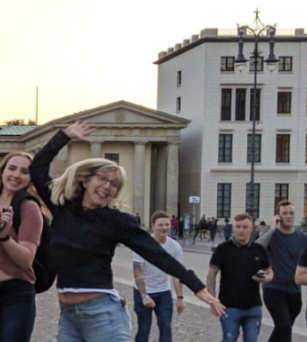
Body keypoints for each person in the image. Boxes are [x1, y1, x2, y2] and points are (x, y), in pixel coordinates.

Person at [29, 121, 224, 342]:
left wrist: (195, 286)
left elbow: (155, 252)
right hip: (68, 317)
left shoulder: (116, 221)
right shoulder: (63, 207)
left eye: (113, 185)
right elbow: (36, 168)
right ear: (86, 180)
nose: (107, 187)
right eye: (102, 179)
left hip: (102, 316)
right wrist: (63, 136)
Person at [0, 152, 43, 342]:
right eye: (12, 168)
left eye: (24, 171)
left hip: (15, 294)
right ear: (2, 171)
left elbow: (26, 259)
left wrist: (5, 237)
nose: (16, 175)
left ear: (31, 178)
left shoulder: (28, 207)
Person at [207, 213, 272, 342]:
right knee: (229, 339)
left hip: (253, 307)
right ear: (233, 228)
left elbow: (269, 271)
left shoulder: (259, 249)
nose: (241, 230)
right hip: (229, 306)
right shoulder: (223, 249)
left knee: (252, 339)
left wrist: (267, 278)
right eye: (238, 227)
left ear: (252, 228)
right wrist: (212, 300)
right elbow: (211, 274)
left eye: (245, 227)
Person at [255, 202, 307, 342]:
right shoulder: (272, 235)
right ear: (278, 216)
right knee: (283, 325)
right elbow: (256, 248)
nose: (288, 216)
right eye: (285, 213)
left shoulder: (303, 238)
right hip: (273, 289)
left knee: (285, 329)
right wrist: (272, 228)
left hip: (294, 291)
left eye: (291, 213)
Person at [132, 211, 185, 342]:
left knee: (166, 328)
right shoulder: (142, 244)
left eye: (167, 224)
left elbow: (177, 274)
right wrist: (144, 296)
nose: (164, 227)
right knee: (144, 329)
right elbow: (137, 273)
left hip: (163, 291)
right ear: (153, 226)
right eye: (160, 225)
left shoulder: (174, 246)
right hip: (143, 291)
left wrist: (180, 298)